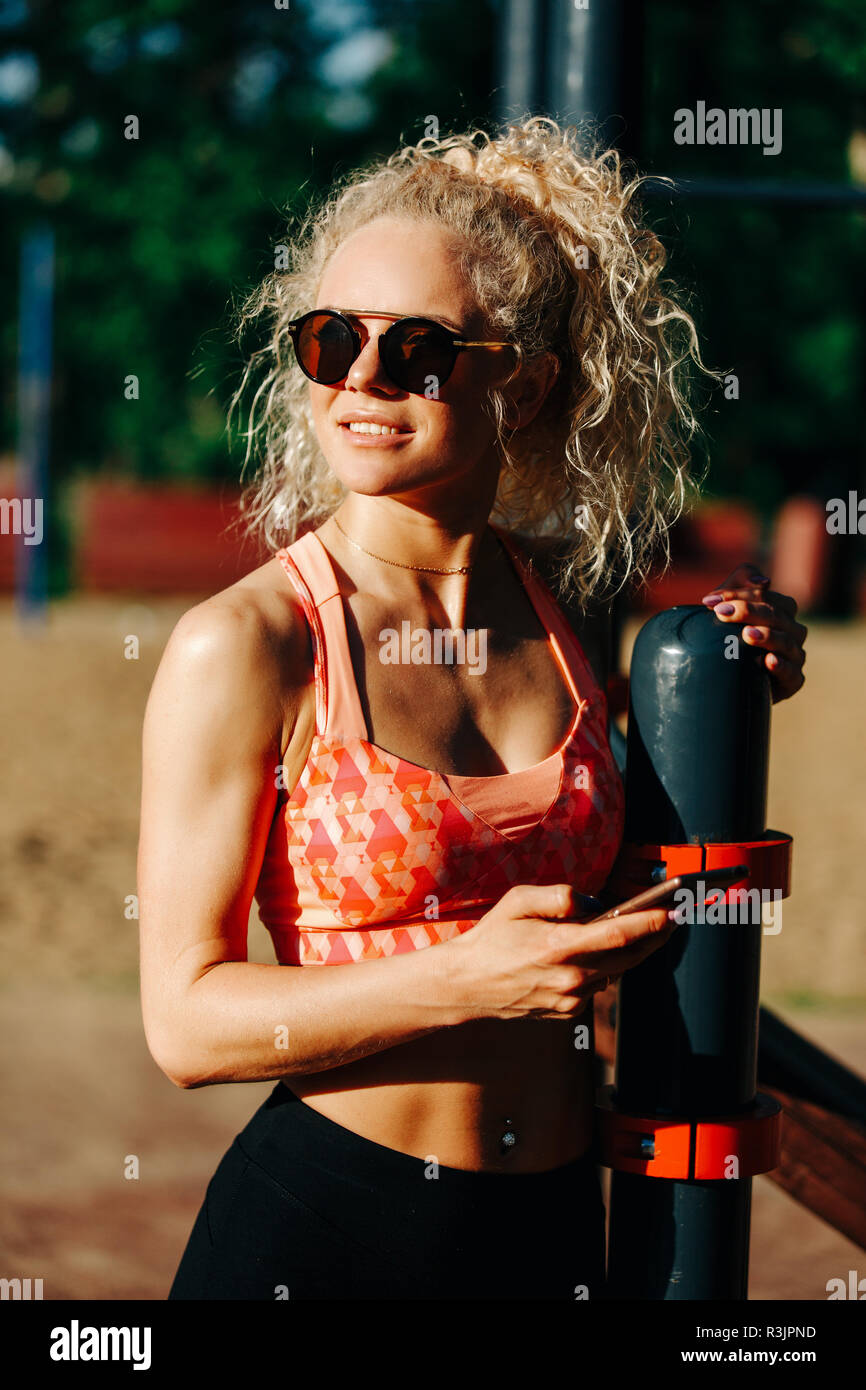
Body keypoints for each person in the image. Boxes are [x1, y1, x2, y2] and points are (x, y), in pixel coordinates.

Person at [138, 117, 808, 1301]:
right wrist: (465, 977)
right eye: (332, 338)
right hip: (327, 1230)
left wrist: (739, 644)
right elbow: (186, 1024)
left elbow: (679, 760)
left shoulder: (575, 615)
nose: (359, 379)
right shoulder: (246, 643)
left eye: (419, 353)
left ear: (525, 381)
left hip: (551, 1236)